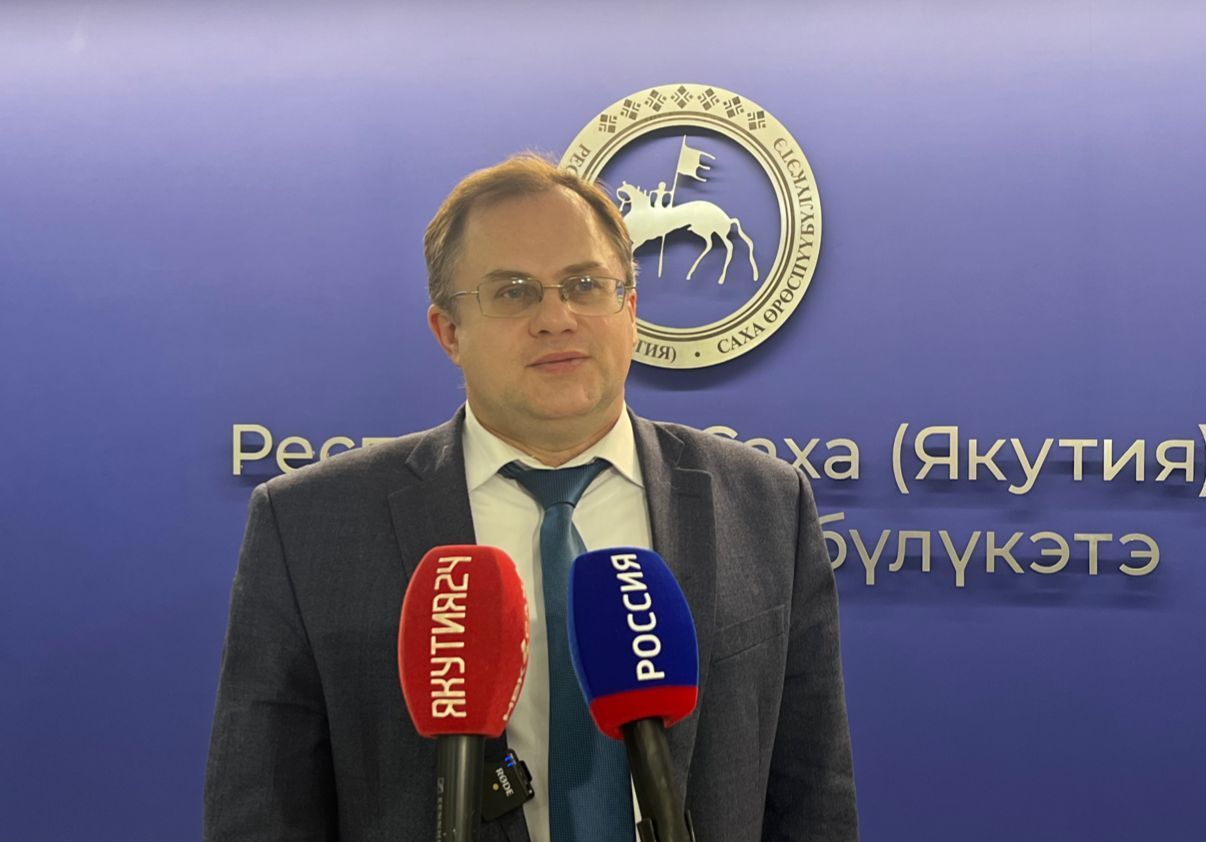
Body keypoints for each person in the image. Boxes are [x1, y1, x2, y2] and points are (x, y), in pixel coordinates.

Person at [203, 153, 858, 842]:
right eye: (513, 292)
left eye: (585, 285)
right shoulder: (310, 524)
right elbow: (261, 814)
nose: (557, 317)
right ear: (448, 332)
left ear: (631, 310)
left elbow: (812, 795)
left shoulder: (766, 504)